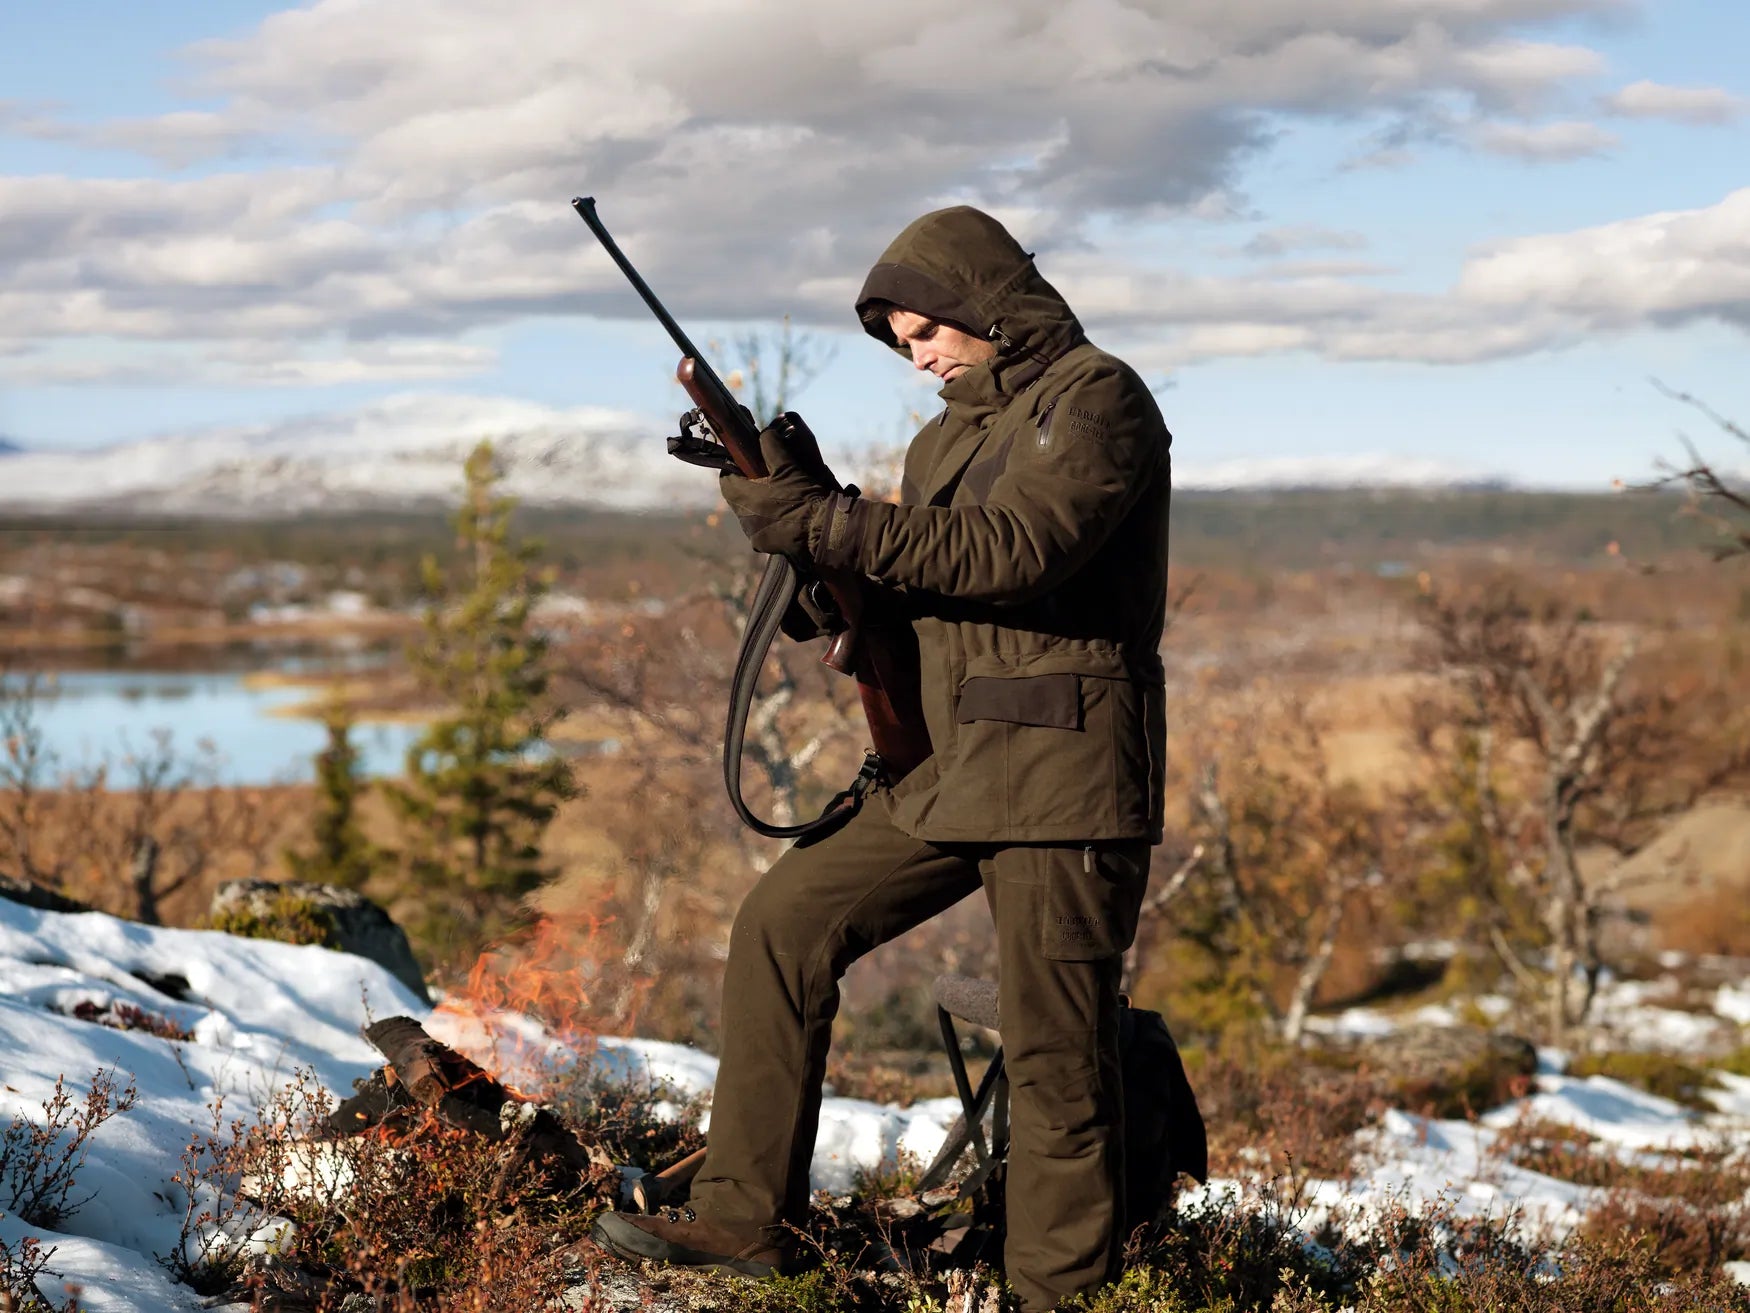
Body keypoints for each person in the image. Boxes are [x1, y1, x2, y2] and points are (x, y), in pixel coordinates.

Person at [591, 205, 1172, 1311]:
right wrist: (810, 560)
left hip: (1061, 776)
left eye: (930, 330)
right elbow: (911, 593)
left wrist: (829, 522)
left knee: (1057, 1057)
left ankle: (1057, 1293)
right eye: (904, 342)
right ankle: (743, 1217)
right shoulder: (944, 436)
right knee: (783, 925)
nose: (921, 356)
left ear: (988, 302)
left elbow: (1015, 553)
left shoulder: (1099, 397)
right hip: (949, 769)